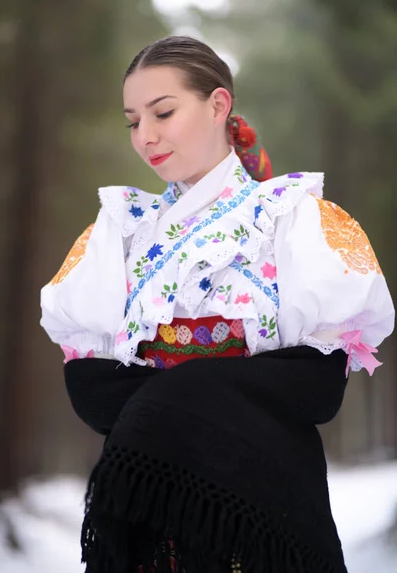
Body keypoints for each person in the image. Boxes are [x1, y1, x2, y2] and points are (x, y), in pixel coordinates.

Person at [40, 36, 394, 573]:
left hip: (261, 505)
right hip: (149, 518)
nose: (146, 136)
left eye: (163, 112)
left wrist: (165, 398)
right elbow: (93, 392)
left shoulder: (292, 221)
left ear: (218, 105)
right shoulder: (120, 235)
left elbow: (316, 388)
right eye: (133, 121)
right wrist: (219, 390)